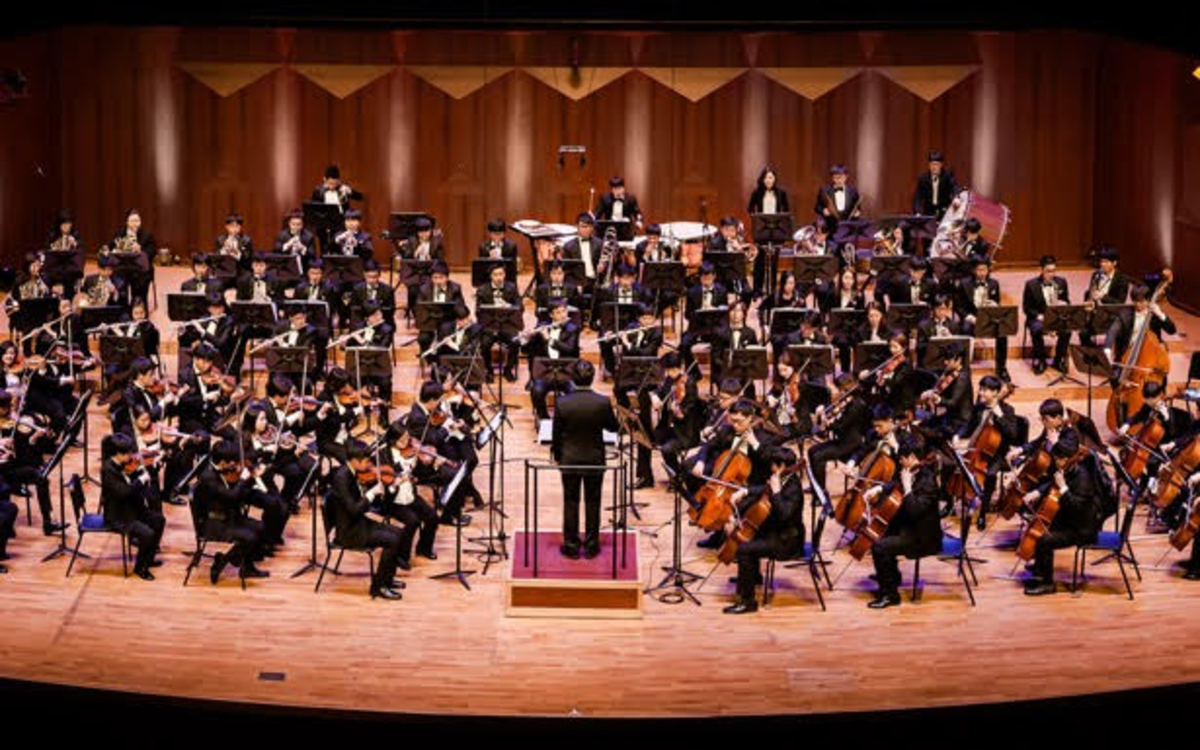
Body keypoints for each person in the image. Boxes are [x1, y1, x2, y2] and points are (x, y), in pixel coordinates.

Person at [721, 444, 805, 615]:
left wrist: (775, 492)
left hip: (787, 540)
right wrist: (745, 491)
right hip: (778, 531)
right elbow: (762, 488)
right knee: (746, 535)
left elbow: (784, 515)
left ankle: (748, 602)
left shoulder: (794, 488)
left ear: (780, 466)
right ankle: (751, 577)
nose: (770, 468)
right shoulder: (783, 478)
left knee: (744, 549)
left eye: (772, 465)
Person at [862, 433, 942, 608]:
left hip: (923, 537)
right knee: (879, 535)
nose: (900, 463)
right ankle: (890, 576)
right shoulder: (909, 470)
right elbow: (893, 483)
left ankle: (890, 596)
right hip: (909, 527)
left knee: (879, 547)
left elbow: (914, 511)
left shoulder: (928, 480)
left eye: (903, 459)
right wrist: (877, 489)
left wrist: (907, 488)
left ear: (913, 458)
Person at [551, 360, 618, 559]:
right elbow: (613, 427)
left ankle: (571, 546)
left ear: (573, 378)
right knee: (593, 501)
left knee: (570, 501)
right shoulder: (602, 402)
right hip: (594, 459)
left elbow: (556, 435)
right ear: (592, 378)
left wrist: (558, 457)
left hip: (570, 459)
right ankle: (591, 546)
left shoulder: (562, 402)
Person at [1022, 431, 1101, 596]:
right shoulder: (1069, 469)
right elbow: (1052, 483)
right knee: (1040, 527)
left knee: (1045, 539)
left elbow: (1077, 509)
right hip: (1070, 520)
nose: (1054, 462)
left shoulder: (1083, 478)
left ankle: (1047, 583)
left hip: (1082, 529)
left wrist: (1063, 487)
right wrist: (1037, 493)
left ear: (1065, 459)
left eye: (1056, 459)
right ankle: (1039, 571)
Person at [329, 440, 406, 600]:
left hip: (357, 523)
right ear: (354, 461)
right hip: (350, 532)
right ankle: (379, 587)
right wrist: (371, 494)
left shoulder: (353, 473)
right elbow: (354, 510)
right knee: (392, 541)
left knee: (399, 533)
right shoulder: (342, 478)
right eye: (365, 461)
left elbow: (361, 505)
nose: (369, 465)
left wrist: (385, 490)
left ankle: (387, 579)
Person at [196, 440, 270, 583]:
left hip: (228, 515)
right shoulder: (208, 477)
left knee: (261, 528)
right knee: (250, 538)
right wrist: (242, 480)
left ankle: (246, 567)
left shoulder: (223, 470)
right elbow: (231, 497)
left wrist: (251, 480)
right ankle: (221, 561)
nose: (236, 465)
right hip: (215, 522)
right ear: (223, 462)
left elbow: (235, 494)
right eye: (233, 462)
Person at [101, 433, 165, 581]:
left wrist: (144, 470)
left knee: (159, 520)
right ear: (118, 454)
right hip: (118, 516)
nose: (131, 456)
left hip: (131, 508)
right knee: (147, 534)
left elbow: (128, 479)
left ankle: (148, 559)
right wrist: (141, 480)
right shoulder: (108, 470)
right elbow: (123, 492)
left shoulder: (120, 464)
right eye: (128, 453)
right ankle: (140, 568)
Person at [523, 301, 581, 421]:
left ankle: (567, 419)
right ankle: (544, 418)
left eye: (564, 311)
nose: (563, 315)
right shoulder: (542, 327)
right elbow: (526, 351)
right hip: (545, 373)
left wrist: (550, 339)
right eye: (558, 312)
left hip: (566, 373)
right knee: (537, 391)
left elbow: (570, 350)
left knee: (574, 391)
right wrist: (526, 339)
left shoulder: (573, 329)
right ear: (551, 315)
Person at [957, 255, 1009, 381]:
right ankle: (964, 368)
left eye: (984, 270)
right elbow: (959, 307)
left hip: (989, 319)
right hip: (971, 318)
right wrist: (970, 318)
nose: (982, 273)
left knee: (1003, 332)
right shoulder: (964, 284)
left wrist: (994, 306)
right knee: (964, 329)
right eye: (979, 270)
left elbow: (997, 304)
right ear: (974, 270)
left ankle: (1001, 368)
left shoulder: (994, 284)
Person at [1023, 255, 1072, 374]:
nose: (1052, 274)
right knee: (1036, 329)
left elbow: (1067, 301)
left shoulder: (1061, 282)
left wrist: (1064, 304)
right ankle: (1041, 360)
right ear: (1041, 270)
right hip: (1039, 317)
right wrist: (1041, 317)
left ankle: (1059, 359)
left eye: (1054, 270)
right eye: (1048, 271)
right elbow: (1027, 308)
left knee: (1067, 330)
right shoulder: (1031, 285)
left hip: (1057, 317)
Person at [912, 150, 958, 219]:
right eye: (931, 164)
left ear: (941, 165)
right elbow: (917, 197)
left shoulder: (948, 176)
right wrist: (917, 212)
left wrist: (956, 197)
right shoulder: (923, 178)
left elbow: (954, 187)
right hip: (928, 212)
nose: (933, 167)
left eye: (936, 164)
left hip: (944, 211)